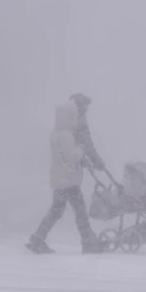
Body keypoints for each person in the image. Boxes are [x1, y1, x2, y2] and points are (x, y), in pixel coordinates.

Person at [26, 97, 103, 254]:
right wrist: (82, 150)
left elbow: (63, 156)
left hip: (61, 179)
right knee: (79, 211)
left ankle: (37, 239)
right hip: (68, 179)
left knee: (56, 211)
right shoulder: (66, 135)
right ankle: (88, 242)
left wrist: (84, 160)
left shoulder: (57, 134)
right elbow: (71, 156)